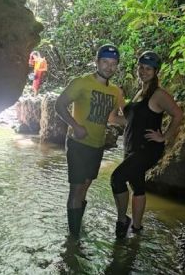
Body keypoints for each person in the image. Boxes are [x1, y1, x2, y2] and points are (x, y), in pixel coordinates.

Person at [111, 51, 183, 238]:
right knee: (137, 186)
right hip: (131, 146)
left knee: (117, 178)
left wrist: (165, 136)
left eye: (148, 68)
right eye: (141, 67)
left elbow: (178, 114)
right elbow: (127, 121)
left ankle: (122, 220)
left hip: (147, 148)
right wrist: (113, 107)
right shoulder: (139, 93)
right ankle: (136, 227)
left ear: (155, 71)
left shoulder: (158, 94)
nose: (143, 71)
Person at [55, 44, 125, 238]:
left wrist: (135, 122)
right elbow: (59, 105)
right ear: (97, 62)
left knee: (85, 187)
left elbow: (112, 118)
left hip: (97, 146)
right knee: (76, 191)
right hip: (78, 145)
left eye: (113, 64)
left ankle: (77, 228)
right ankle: (74, 239)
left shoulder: (115, 91)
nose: (109, 67)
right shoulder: (81, 82)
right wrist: (75, 126)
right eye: (105, 62)